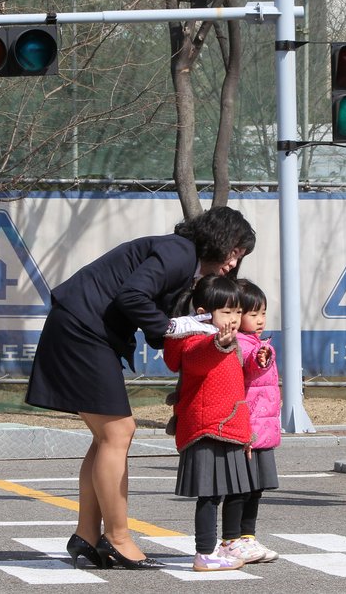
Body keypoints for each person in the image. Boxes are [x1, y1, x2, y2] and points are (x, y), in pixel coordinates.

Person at [24, 206, 255, 570]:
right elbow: (132, 297)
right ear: (221, 239)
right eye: (235, 251)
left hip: (82, 327)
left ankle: (87, 534)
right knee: (118, 431)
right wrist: (172, 327)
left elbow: (149, 319)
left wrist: (189, 325)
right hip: (82, 330)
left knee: (106, 436)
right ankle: (118, 537)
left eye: (239, 257)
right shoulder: (180, 252)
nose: (232, 263)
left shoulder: (183, 260)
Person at [163, 275, 255, 572]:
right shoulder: (195, 339)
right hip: (206, 428)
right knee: (210, 495)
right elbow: (197, 359)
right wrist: (218, 343)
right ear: (203, 312)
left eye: (238, 312)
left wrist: (245, 433)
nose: (234, 319)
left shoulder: (231, 340)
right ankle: (204, 553)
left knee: (237, 490)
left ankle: (229, 544)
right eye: (226, 312)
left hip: (229, 427)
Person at [234, 279, 281, 563]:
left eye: (263, 313)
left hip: (261, 429)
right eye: (254, 314)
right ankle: (238, 537)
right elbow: (250, 362)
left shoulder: (256, 342)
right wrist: (261, 356)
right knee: (243, 488)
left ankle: (248, 537)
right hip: (248, 430)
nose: (260, 319)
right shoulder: (242, 344)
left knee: (255, 488)